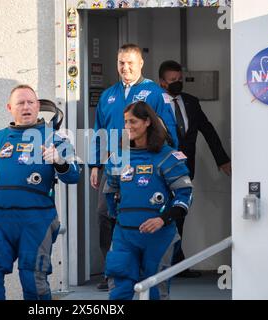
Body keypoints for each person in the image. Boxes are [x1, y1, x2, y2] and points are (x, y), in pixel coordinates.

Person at [0, 85, 80, 300]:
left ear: (38, 106)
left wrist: (59, 161)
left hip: (37, 220)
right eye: (20, 103)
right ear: (9, 108)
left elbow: (74, 176)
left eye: (31, 103)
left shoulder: (56, 139)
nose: (26, 107)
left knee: (33, 280)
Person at [90, 44, 179, 290]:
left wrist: (171, 161)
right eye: (121, 62)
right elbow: (98, 131)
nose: (125, 67)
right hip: (115, 164)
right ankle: (114, 273)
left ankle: (148, 274)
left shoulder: (154, 93)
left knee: (149, 212)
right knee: (106, 214)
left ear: (141, 64)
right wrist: (95, 165)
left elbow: (169, 130)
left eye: (130, 62)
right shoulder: (108, 95)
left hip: (148, 163)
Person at [103, 101, 193, 300]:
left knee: (155, 294)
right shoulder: (119, 157)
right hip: (124, 236)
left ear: (147, 122)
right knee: (118, 292)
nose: (128, 126)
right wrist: (120, 219)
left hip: (159, 236)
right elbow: (110, 193)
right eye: (125, 122)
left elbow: (185, 196)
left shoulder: (167, 157)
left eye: (133, 121)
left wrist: (163, 219)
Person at [159, 60, 231, 277]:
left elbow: (207, 130)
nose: (177, 83)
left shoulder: (191, 101)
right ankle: (164, 263)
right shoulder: (155, 102)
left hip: (185, 168)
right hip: (161, 168)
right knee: (162, 213)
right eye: (172, 80)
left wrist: (222, 159)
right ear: (162, 82)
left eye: (180, 79)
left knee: (179, 213)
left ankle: (176, 262)